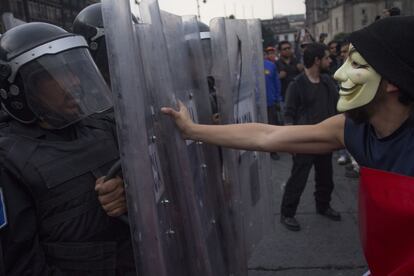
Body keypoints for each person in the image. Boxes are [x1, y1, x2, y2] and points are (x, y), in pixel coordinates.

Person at [162, 16, 414, 275]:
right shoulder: (351, 128)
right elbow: (266, 135)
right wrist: (192, 130)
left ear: (393, 81)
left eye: (357, 64)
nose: (339, 73)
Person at [0, 22, 136, 275]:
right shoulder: (8, 160)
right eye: (55, 74)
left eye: (73, 70)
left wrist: (128, 193)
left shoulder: (102, 129)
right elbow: (20, 264)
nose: (74, 82)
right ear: (19, 89)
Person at [280, 43, 340, 231]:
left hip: (325, 140)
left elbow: (339, 107)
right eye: (326, 58)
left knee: (326, 178)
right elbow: (288, 114)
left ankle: (323, 206)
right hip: (304, 141)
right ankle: (287, 214)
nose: (330, 61)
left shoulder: (328, 82)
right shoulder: (296, 84)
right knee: (298, 179)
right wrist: (290, 143)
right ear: (316, 60)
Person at [264, 47, 283, 160]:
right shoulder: (248, 66)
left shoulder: (270, 66)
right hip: (255, 104)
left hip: (270, 102)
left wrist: (277, 98)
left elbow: (277, 83)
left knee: (271, 127)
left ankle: (273, 150)